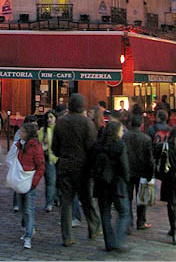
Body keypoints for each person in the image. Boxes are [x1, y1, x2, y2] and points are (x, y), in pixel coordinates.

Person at [52, 93, 101, 247]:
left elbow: (55, 147)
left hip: (65, 165)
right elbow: (91, 147)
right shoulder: (87, 123)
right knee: (86, 200)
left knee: (66, 202)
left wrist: (63, 156)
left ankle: (67, 236)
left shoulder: (60, 122)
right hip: (82, 167)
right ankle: (93, 227)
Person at [91, 120, 131, 253]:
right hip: (116, 182)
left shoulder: (98, 145)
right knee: (124, 212)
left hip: (101, 182)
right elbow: (124, 166)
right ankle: (118, 241)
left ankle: (109, 242)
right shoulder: (120, 145)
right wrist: (127, 180)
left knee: (105, 213)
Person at [16, 122, 45, 250]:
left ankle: (28, 235)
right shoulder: (20, 145)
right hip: (21, 180)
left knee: (28, 208)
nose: (19, 133)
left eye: (22, 131)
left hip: (29, 180)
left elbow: (40, 166)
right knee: (22, 207)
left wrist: (34, 182)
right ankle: (29, 229)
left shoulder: (35, 147)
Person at [124, 113, 154, 230]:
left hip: (128, 171)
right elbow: (149, 159)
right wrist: (150, 174)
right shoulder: (146, 139)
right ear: (141, 125)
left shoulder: (125, 137)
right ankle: (141, 221)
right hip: (142, 171)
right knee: (142, 198)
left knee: (128, 197)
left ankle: (128, 220)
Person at [38, 109, 58, 211]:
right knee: (50, 181)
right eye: (48, 118)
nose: (49, 120)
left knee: (56, 181)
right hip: (48, 158)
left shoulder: (59, 130)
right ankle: (49, 202)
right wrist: (43, 147)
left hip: (59, 158)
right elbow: (38, 144)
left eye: (51, 117)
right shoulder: (43, 131)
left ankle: (56, 198)